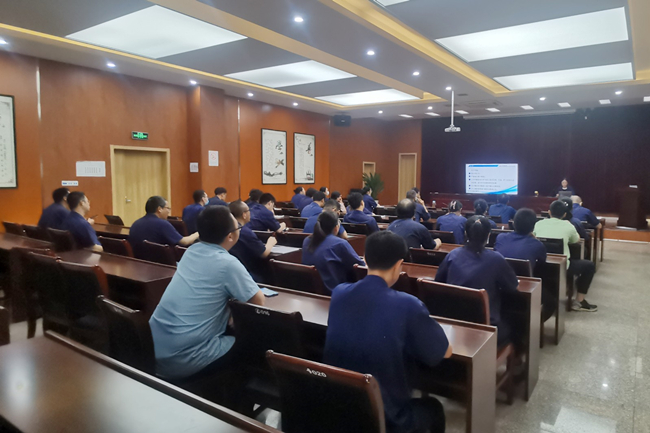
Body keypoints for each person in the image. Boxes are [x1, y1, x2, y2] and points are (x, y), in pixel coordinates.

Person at [324, 231, 451, 433]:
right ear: (399, 264)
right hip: (388, 420)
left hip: (339, 408)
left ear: (365, 259)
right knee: (433, 408)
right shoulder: (409, 305)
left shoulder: (339, 293)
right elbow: (443, 352)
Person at [149, 205, 265, 379]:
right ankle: (233, 395)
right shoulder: (228, 263)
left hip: (155, 353)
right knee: (253, 343)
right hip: (185, 359)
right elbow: (258, 301)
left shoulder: (190, 252)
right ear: (230, 236)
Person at [436, 216, 519, 347]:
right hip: (486, 327)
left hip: (454, 322)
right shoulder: (496, 259)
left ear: (465, 233)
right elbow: (513, 287)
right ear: (489, 235)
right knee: (516, 320)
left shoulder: (452, 255)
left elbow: (438, 282)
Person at [534, 200, 597, 312]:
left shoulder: (538, 224)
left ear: (549, 212)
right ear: (564, 214)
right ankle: (579, 301)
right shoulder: (568, 225)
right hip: (563, 267)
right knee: (589, 266)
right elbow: (576, 240)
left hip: (540, 265)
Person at [302, 211, 364, 292]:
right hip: (335, 291)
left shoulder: (307, 240)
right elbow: (361, 266)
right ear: (336, 228)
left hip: (311, 290)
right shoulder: (339, 243)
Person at [129, 196, 199, 259]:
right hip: (160, 264)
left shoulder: (135, 223)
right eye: (168, 208)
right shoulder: (162, 224)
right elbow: (184, 242)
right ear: (159, 209)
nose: (168, 211)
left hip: (140, 262)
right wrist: (198, 233)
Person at [228, 200, 277, 282]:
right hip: (248, 275)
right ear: (244, 215)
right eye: (249, 210)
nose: (250, 213)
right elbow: (263, 253)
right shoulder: (244, 232)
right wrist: (270, 242)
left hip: (233, 272)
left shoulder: (227, 230)